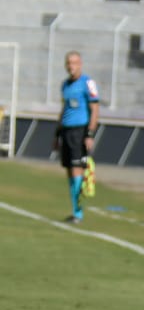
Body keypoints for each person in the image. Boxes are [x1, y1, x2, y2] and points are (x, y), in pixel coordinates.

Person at [54, 50, 99, 223]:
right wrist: (57, 134)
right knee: (69, 171)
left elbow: (95, 109)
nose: (71, 66)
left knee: (76, 170)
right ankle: (75, 210)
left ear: (80, 64)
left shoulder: (88, 83)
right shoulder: (65, 85)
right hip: (66, 130)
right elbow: (64, 109)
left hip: (80, 131)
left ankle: (78, 213)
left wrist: (89, 134)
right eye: (68, 63)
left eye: (74, 63)